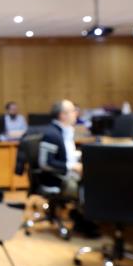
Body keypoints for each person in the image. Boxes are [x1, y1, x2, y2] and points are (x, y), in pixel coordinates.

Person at [41, 99, 98, 237]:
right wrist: (72, 166)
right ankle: (82, 218)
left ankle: (85, 215)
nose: (76, 113)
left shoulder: (66, 131)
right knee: (91, 183)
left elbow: (67, 154)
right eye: (73, 110)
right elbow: (45, 163)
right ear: (63, 115)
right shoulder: (52, 134)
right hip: (55, 178)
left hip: (67, 173)